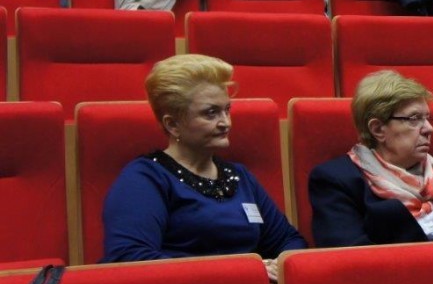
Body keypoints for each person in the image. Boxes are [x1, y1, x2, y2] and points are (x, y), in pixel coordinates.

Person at [103, 54, 307, 266]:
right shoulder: (145, 178)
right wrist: (243, 273)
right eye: (211, 113)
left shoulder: (240, 177)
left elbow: (289, 241)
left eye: (227, 110)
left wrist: (277, 268)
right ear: (173, 125)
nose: (226, 123)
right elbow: (131, 257)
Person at [309, 70, 433, 247]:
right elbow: (348, 256)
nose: (429, 128)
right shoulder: (337, 181)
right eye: (414, 119)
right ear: (378, 129)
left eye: (428, 118)